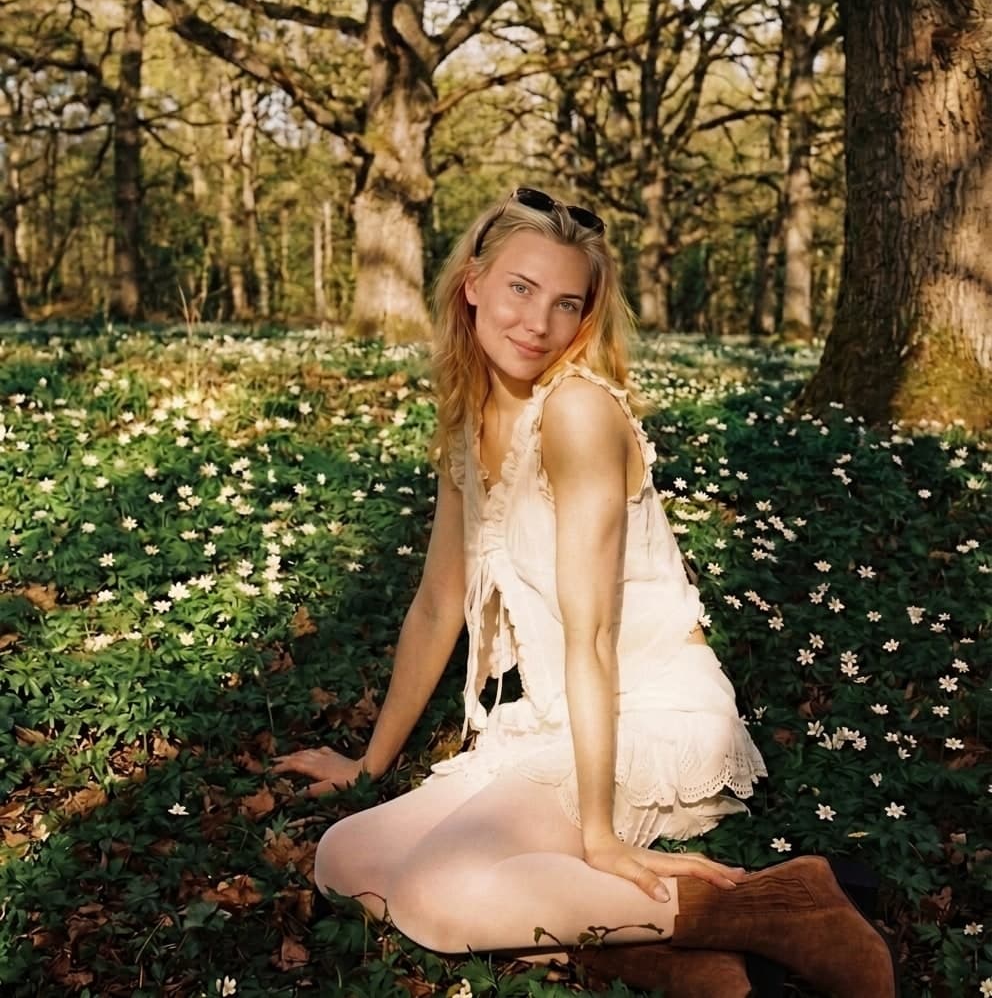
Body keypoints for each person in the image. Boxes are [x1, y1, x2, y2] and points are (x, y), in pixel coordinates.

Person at [272, 187, 898, 998]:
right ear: (472, 283)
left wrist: (600, 835)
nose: (539, 321)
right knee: (344, 858)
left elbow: (593, 634)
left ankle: (779, 906)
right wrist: (369, 762)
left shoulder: (576, 414)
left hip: (647, 716)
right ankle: (644, 954)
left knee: (434, 889)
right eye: (521, 289)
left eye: (566, 303)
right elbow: (435, 605)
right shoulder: (471, 416)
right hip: (551, 722)